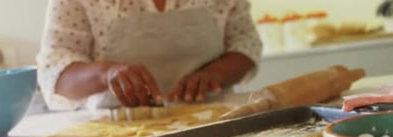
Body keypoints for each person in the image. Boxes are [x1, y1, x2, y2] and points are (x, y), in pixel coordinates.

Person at [36, 0, 262, 111]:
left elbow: (245, 43)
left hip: (215, 120)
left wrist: (216, 74)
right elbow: (54, 73)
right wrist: (106, 74)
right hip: (117, 136)